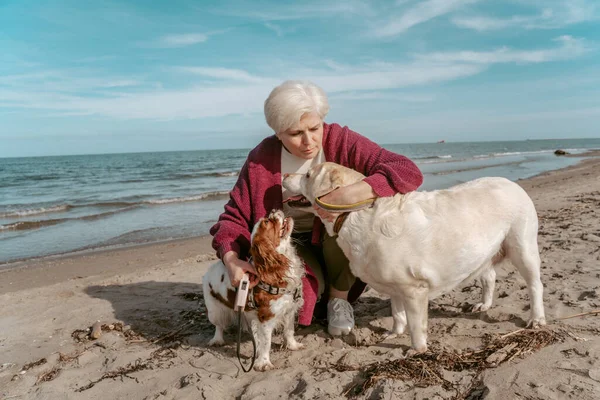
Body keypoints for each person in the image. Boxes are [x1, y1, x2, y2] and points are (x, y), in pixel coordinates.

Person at [210, 80, 423, 336]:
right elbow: (233, 217)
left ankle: (339, 299)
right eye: (295, 133)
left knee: (343, 222)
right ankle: (322, 290)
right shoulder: (261, 159)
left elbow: (406, 170)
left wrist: (351, 193)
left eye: (315, 128)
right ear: (277, 132)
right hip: (291, 243)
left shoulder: (341, 141)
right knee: (305, 301)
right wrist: (231, 259)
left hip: (336, 242)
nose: (309, 141)